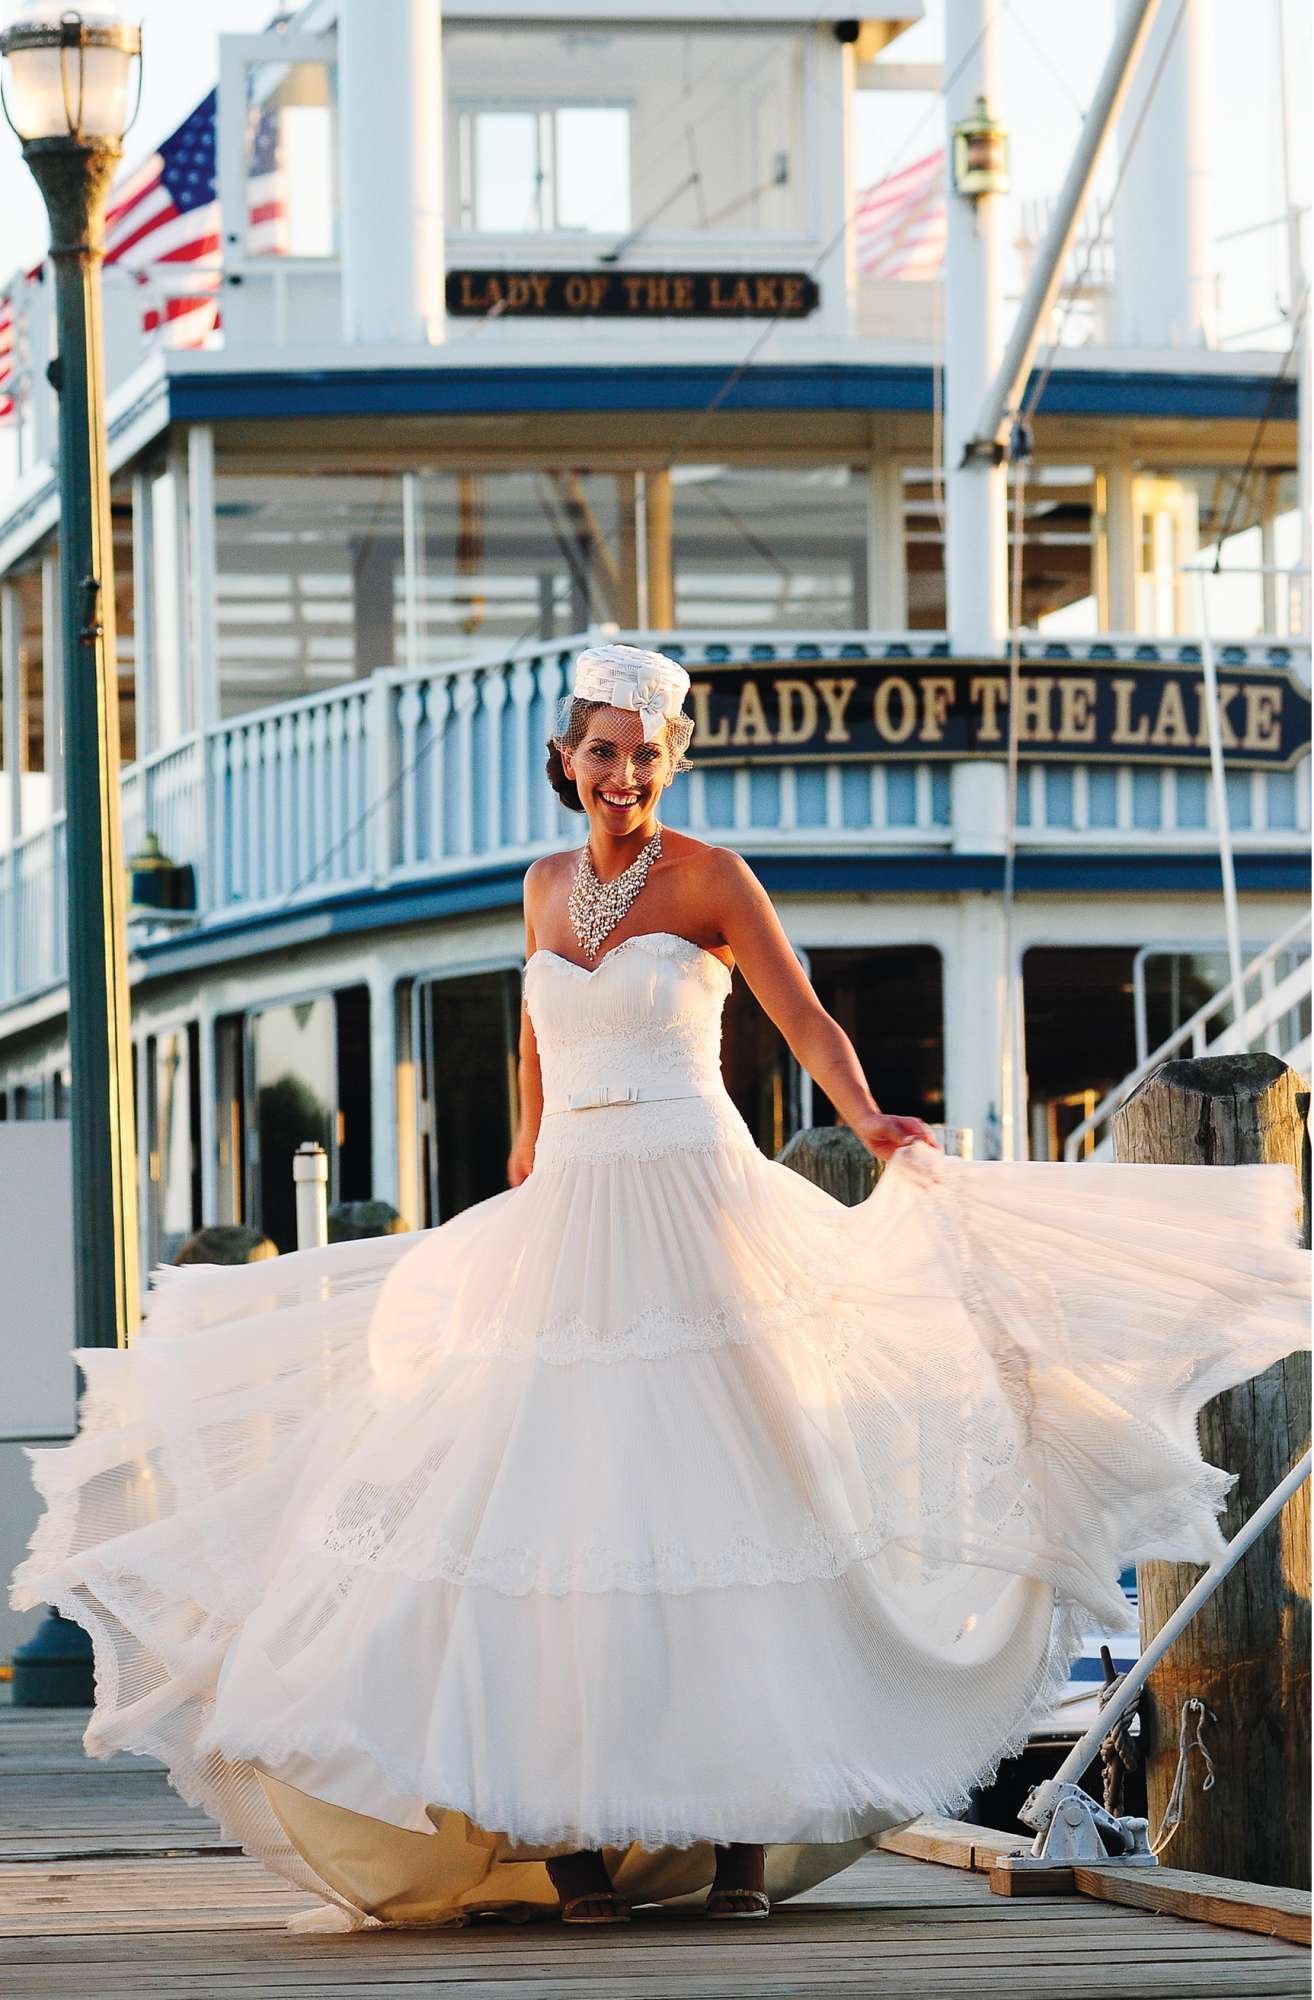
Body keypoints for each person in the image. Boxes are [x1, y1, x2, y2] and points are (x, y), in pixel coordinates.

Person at [11, 644, 1309, 1932]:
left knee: (733, 1505)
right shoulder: (539, 887)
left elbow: (802, 1017)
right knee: (548, 1514)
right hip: (569, 1221)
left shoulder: (712, 878)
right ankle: (567, 1847)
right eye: (601, 751)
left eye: (643, 752)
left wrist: (868, 1119)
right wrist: (526, 1158)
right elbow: (535, 1048)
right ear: (565, 758)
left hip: (697, 1207)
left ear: (670, 758)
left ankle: (741, 1838)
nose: (621, 774)